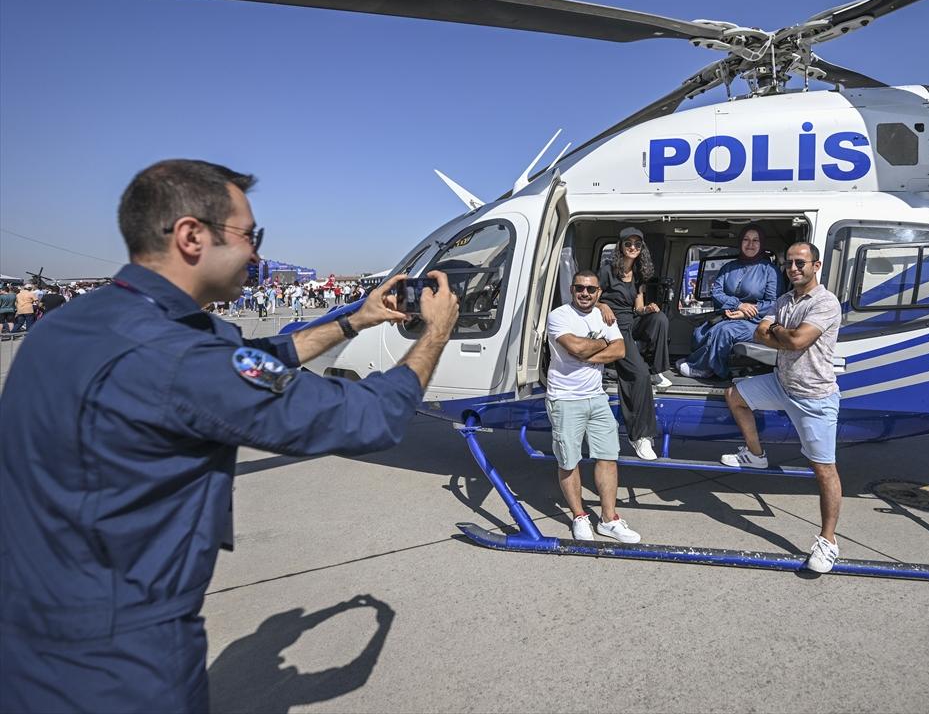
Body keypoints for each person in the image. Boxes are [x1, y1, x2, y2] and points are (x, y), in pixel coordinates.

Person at [0, 158, 460, 713]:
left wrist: (353, 321)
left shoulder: (83, 323)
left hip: (34, 628)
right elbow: (367, 417)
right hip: (120, 657)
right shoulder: (178, 356)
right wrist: (433, 335)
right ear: (192, 236)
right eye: (250, 235)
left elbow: (251, 362)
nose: (258, 254)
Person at [721, 241, 843, 573]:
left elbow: (797, 341)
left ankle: (828, 541)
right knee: (735, 395)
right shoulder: (785, 299)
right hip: (781, 384)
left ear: (816, 266)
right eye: (789, 263)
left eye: (801, 263)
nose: (794, 268)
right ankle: (756, 454)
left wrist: (778, 332)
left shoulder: (825, 303)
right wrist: (779, 332)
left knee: (824, 470)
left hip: (813, 396)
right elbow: (762, 333)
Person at [545, 270, 642, 543]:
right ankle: (579, 516)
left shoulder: (603, 314)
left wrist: (590, 350)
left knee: (608, 457)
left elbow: (620, 351)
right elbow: (574, 347)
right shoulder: (559, 315)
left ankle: (609, 519)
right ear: (572, 289)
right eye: (579, 288)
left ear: (599, 292)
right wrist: (602, 342)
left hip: (596, 396)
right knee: (569, 460)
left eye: (591, 289)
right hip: (565, 398)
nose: (585, 293)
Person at [596, 227, 670, 462]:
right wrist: (603, 306)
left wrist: (647, 309)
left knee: (659, 319)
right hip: (613, 327)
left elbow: (638, 307)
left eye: (637, 245)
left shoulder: (637, 275)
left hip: (631, 321)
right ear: (621, 246)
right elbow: (589, 300)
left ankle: (657, 370)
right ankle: (639, 436)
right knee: (638, 375)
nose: (633, 248)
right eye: (629, 243)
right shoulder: (607, 271)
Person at [676, 224, 779, 380]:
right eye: (746, 239)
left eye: (755, 240)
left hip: (756, 322)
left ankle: (708, 370)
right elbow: (716, 293)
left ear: (761, 244)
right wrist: (737, 305)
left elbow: (773, 303)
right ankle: (696, 361)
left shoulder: (769, 270)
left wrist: (746, 313)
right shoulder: (728, 267)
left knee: (724, 331)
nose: (750, 244)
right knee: (700, 332)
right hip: (729, 313)